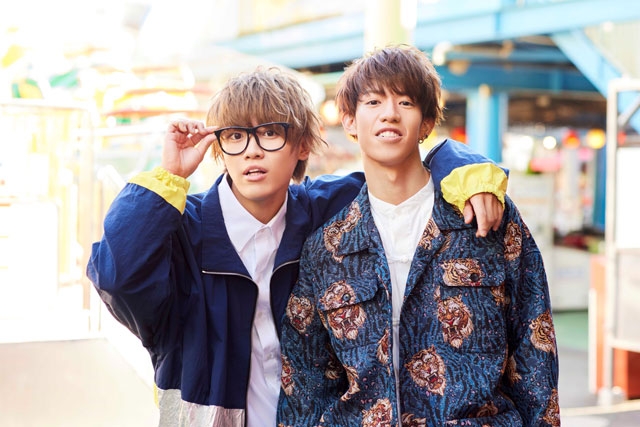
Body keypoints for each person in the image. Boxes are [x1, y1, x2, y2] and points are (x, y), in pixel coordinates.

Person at [87, 66, 508, 427]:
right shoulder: (182, 231)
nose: (252, 151)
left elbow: (403, 171)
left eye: (270, 133)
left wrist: (466, 169)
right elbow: (117, 277)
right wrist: (168, 175)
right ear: (219, 147)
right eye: (235, 136)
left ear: (303, 144)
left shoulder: (327, 211)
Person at [277, 46, 560, 427]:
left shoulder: (484, 217)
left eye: (405, 102)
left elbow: (534, 347)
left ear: (426, 123)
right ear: (349, 121)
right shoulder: (328, 248)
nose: (389, 113)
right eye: (373, 101)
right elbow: (304, 385)